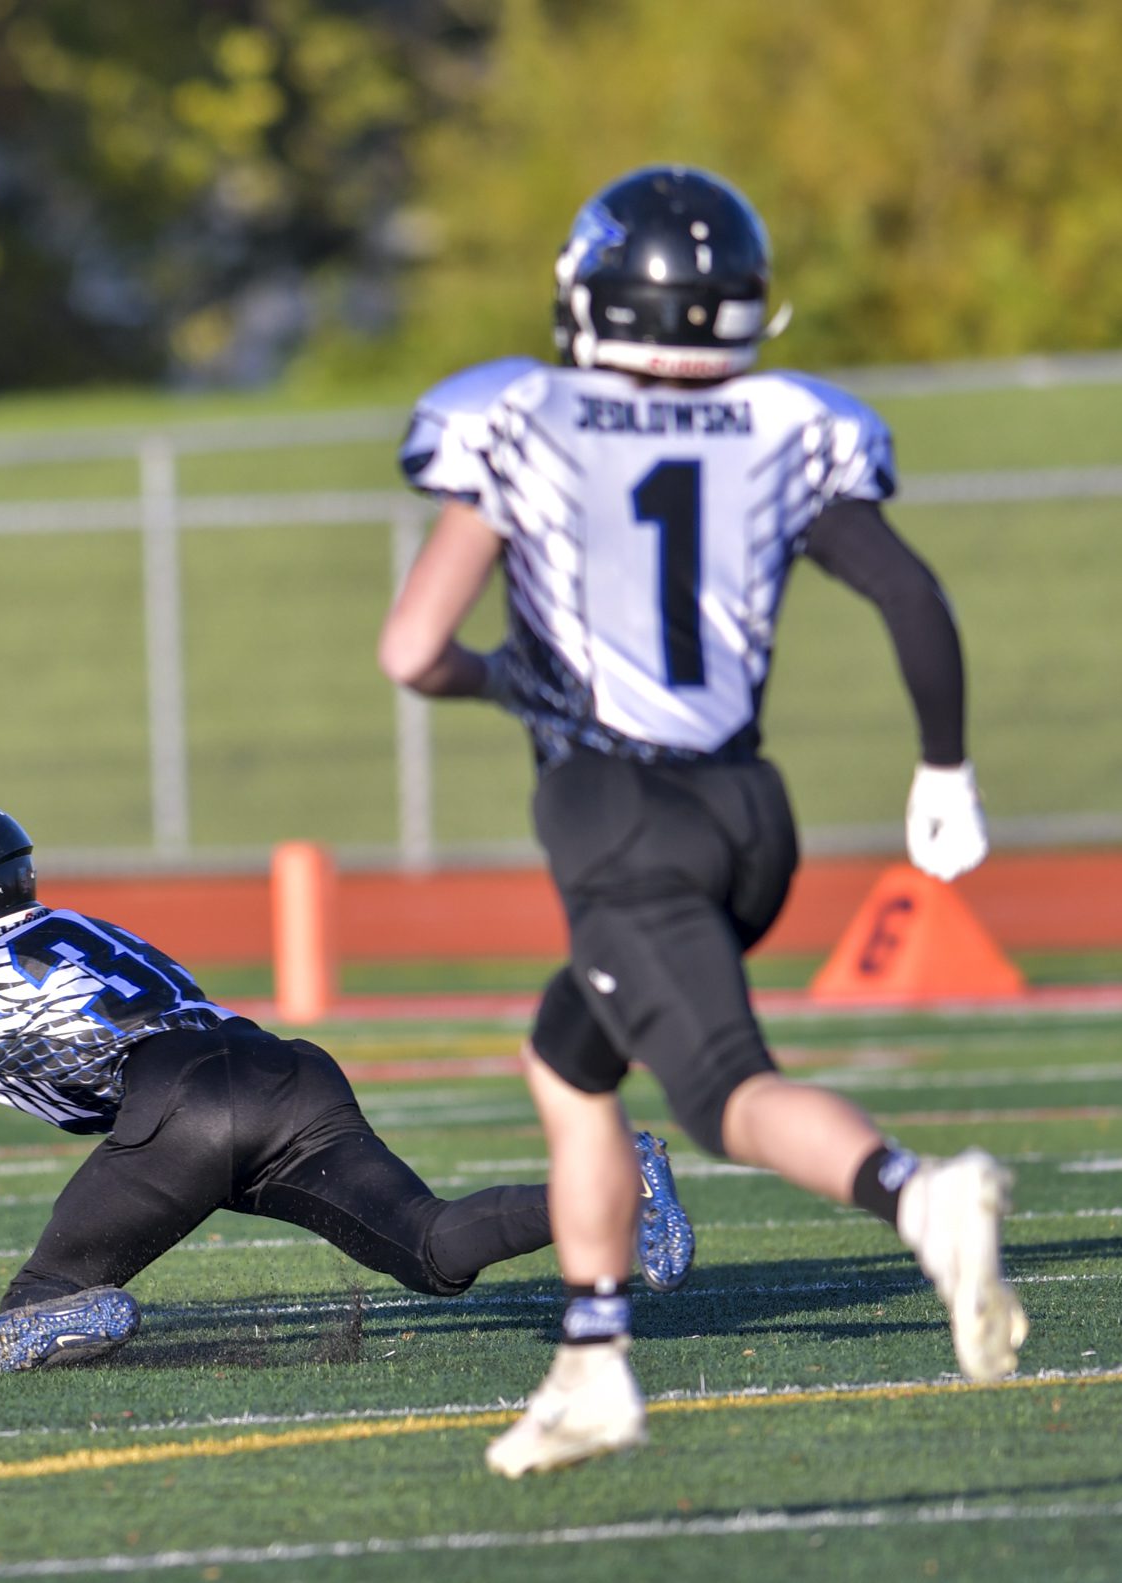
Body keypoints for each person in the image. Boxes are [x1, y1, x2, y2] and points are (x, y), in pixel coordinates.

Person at [379, 166, 1024, 1477]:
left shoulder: (521, 416)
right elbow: (907, 593)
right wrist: (942, 768)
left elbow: (411, 648)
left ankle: (918, 1194)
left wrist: (502, 677)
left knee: (726, 1090)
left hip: (619, 809)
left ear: (588, 292)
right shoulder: (788, 422)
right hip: (745, 808)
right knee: (569, 1061)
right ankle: (591, 1359)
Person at [0, 796, 694, 1372]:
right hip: (280, 1071)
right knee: (427, 1246)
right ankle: (610, 1184)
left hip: (182, 1109)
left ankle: (75, 1309)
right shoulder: (81, 929)